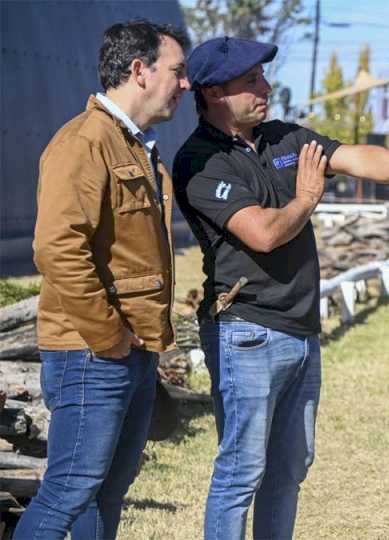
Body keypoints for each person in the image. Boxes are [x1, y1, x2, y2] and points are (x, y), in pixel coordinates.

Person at [173, 36, 389, 540]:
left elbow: (362, 158)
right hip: (247, 333)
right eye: (251, 81)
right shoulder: (199, 161)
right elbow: (263, 232)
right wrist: (306, 199)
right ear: (214, 93)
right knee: (241, 473)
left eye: (263, 76)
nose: (266, 87)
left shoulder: (282, 137)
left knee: (290, 471)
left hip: (301, 330)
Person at [16, 20, 190, 540]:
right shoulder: (84, 143)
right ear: (140, 71)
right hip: (91, 353)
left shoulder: (134, 146)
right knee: (70, 489)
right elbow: (57, 248)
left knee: (106, 490)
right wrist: (108, 333)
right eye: (177, 72)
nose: (185, 85)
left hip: (128, 350)